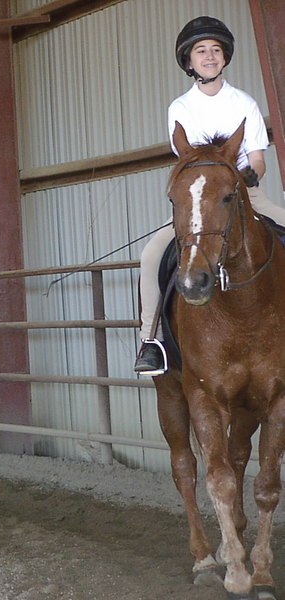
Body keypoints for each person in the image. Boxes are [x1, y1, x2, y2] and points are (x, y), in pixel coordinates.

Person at [134, 16, 285, 375]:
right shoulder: (180, 107)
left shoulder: (243, 102)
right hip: (200, 200)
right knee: (151, 255)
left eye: (216, 50)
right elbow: (189, 163)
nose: (210, 56)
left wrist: (250, 174)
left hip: (245, 193)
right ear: (189, 61)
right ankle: (151, 340)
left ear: (225, 57)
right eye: (201, 51)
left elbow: (258, 158)